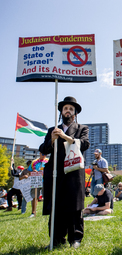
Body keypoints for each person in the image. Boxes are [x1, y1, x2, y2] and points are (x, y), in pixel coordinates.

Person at [39, 96, 90, 249]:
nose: (68, 111)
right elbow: (43, 149)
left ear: (75, 113)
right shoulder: (52, 130)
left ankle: (75, 238)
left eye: (71, 109)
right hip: (55, 172)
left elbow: (85, 144)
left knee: (75, 206)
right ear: (61, 111)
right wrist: (53, 139)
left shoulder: (82, 128)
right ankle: (56, 238)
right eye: (65, 108)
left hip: (74, 172)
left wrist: (65, 137)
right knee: (56, 205)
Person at [26, 153, 49, 217]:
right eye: (42, 153)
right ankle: (33, 212)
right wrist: (33, 171)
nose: (44, 155)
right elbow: (29, 171)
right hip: (36, 182)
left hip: (46, 181)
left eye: (45, 154)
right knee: (34, 197)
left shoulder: (48, 161)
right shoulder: (34, 162)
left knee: (47, 197)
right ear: (39, 153)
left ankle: (47, 211)